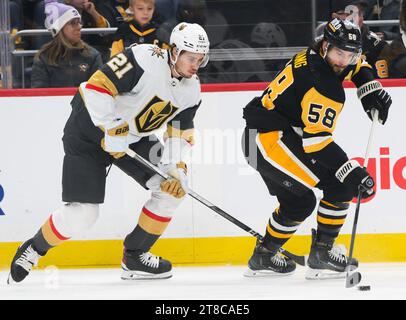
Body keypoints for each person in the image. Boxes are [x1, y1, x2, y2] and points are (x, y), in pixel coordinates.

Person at [8, 22, 209, 283]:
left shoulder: (191, 91)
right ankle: (34, 248)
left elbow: (179, 133)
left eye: (200, 59)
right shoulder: (143, 58)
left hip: (132, 138)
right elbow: (96, 88)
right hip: (89, 130)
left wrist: (175, 166)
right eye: (191, 58)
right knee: (83, 215)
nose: (195, 65)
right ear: (173, 51)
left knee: (173, 189)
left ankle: (135, 256)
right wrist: (110, 126)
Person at [242, 18, 391, 278]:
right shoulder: (323, 86)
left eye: (348, 53)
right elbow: (318, 144)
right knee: (342, 183)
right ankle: (322, 253)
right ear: (325, 46)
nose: (343, 60)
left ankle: (264, 255)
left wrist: (368, 87)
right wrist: (351, 171)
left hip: (267, 135)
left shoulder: (319, 55)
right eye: (338, 53)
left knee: (299, 202)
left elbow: (357, 63)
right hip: (267, 141)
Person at [31, 0, 103, 88]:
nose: (79, 27)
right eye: (73, 23)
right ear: (59, 29)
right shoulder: (43, 58)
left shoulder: (92, 55)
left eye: (79, 22)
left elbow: (98, 90)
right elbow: (39, 94)